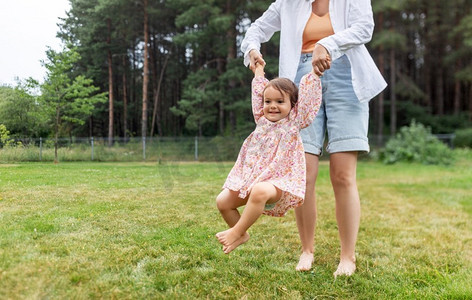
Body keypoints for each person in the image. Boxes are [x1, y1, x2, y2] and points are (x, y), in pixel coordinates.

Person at [241, 0, 387, 277]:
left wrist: (328, 44)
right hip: (299, 80)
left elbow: (364, 28)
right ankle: (307, 250)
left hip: (346, 75)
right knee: (303, 175)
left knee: (343, 175)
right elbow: (256, 29)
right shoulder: (288, 3)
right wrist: (252, 49)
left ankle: (348, 256)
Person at [215, 62, 322, 254]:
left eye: (280, 102)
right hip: (252, 179)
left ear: (292, 105)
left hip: (279, 183)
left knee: (259, 191)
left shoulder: (293, 122)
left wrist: (314, 74)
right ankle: (242, 235)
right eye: (268, 102)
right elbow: (257, 93)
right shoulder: (261, 120)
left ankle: (236, 231)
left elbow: (308, 101)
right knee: (222, 202)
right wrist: (258, 71)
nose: (272, 106)